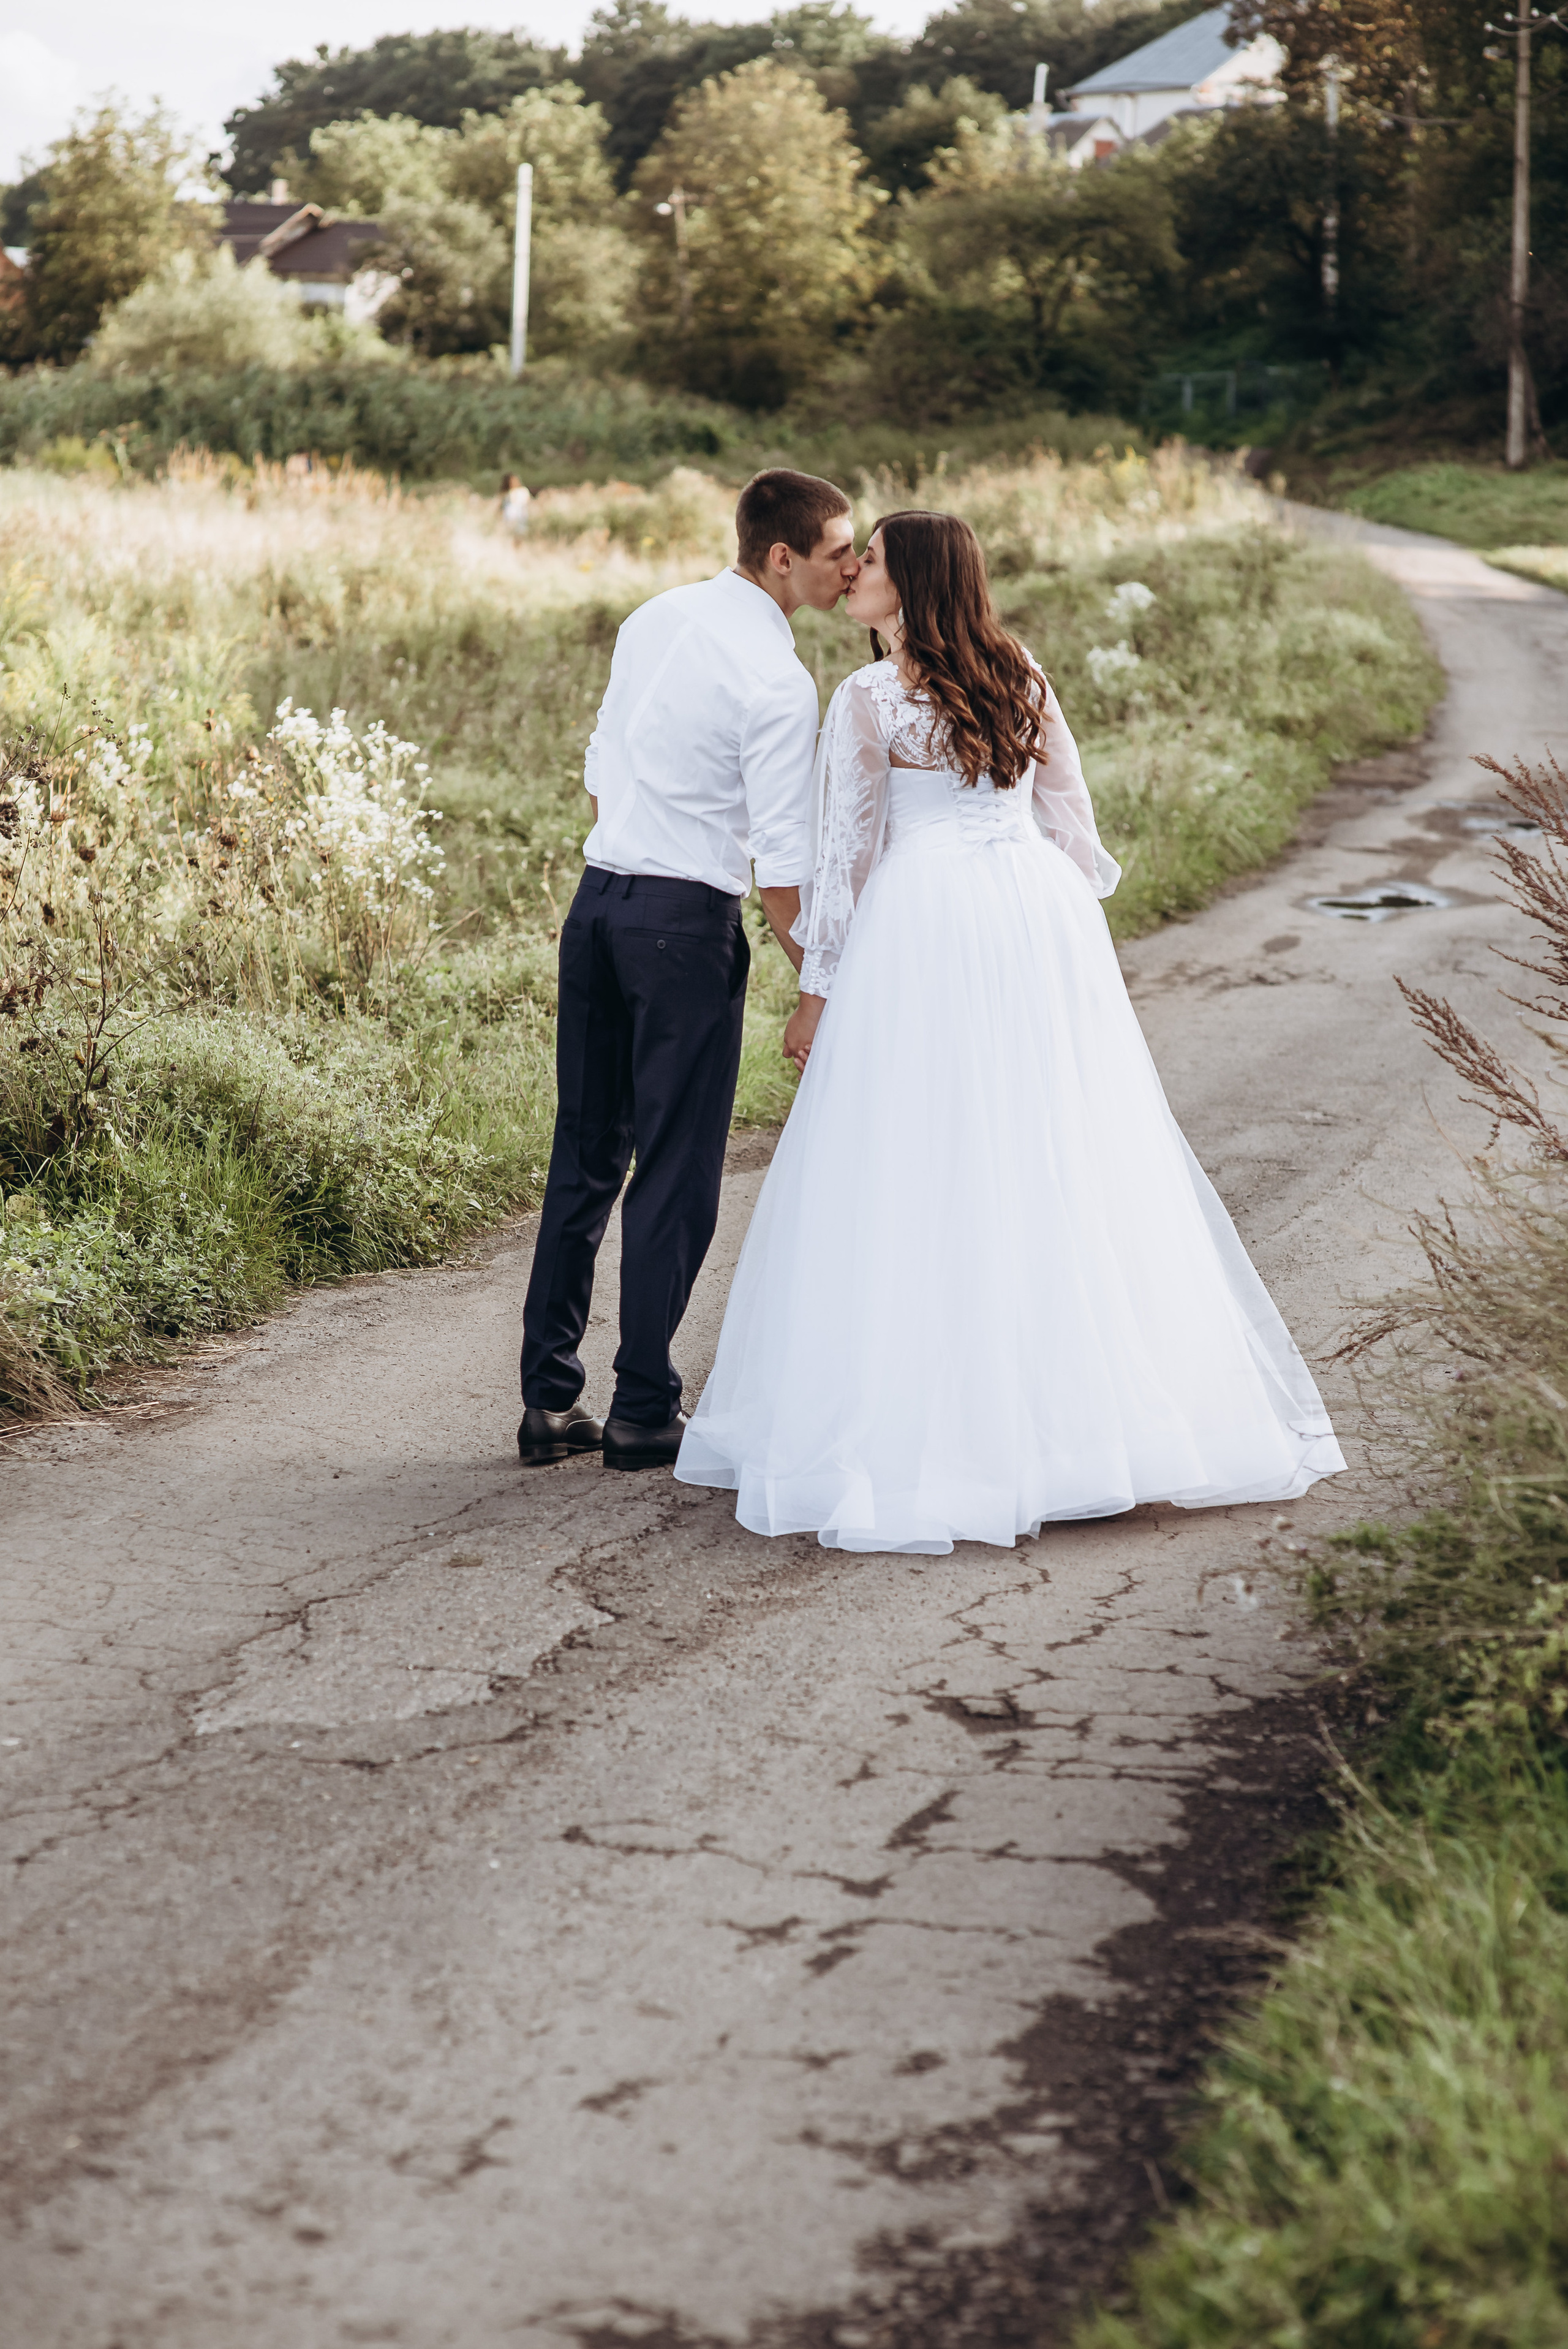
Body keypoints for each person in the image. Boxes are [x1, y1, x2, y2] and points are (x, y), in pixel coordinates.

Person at [675, 511, 1345, 1552]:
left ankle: (944, 1427)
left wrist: (820, 989)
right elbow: (1070, 824)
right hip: (1032, 916)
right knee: (1055, 1141)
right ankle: (1091, 1422)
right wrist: (1060, 929)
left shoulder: (868, 697)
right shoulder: (1017, 667)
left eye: (874, 565)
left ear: (915, 585)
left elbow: (846, 861)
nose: (853, 574)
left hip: (924, 921)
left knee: (919, 1149)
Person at [517, 469, 858, 1470]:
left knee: (584, 1153)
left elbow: (600, 762)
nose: (853, 565)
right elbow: (784, 867)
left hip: (599, 905)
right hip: (683, 923)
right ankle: (643, 1409)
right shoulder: (779, 680)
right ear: (783, 556)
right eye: (840, 548)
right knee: (675, 1166)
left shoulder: (654, 616)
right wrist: (821, 979)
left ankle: (547, 1400)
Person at [500, 473, 532, 540]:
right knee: (510, 535)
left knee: (520, 534)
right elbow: (503, 506)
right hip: (510, 516)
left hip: (520, 515)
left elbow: (527, 502)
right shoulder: (507, 493)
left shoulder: (523, 491)